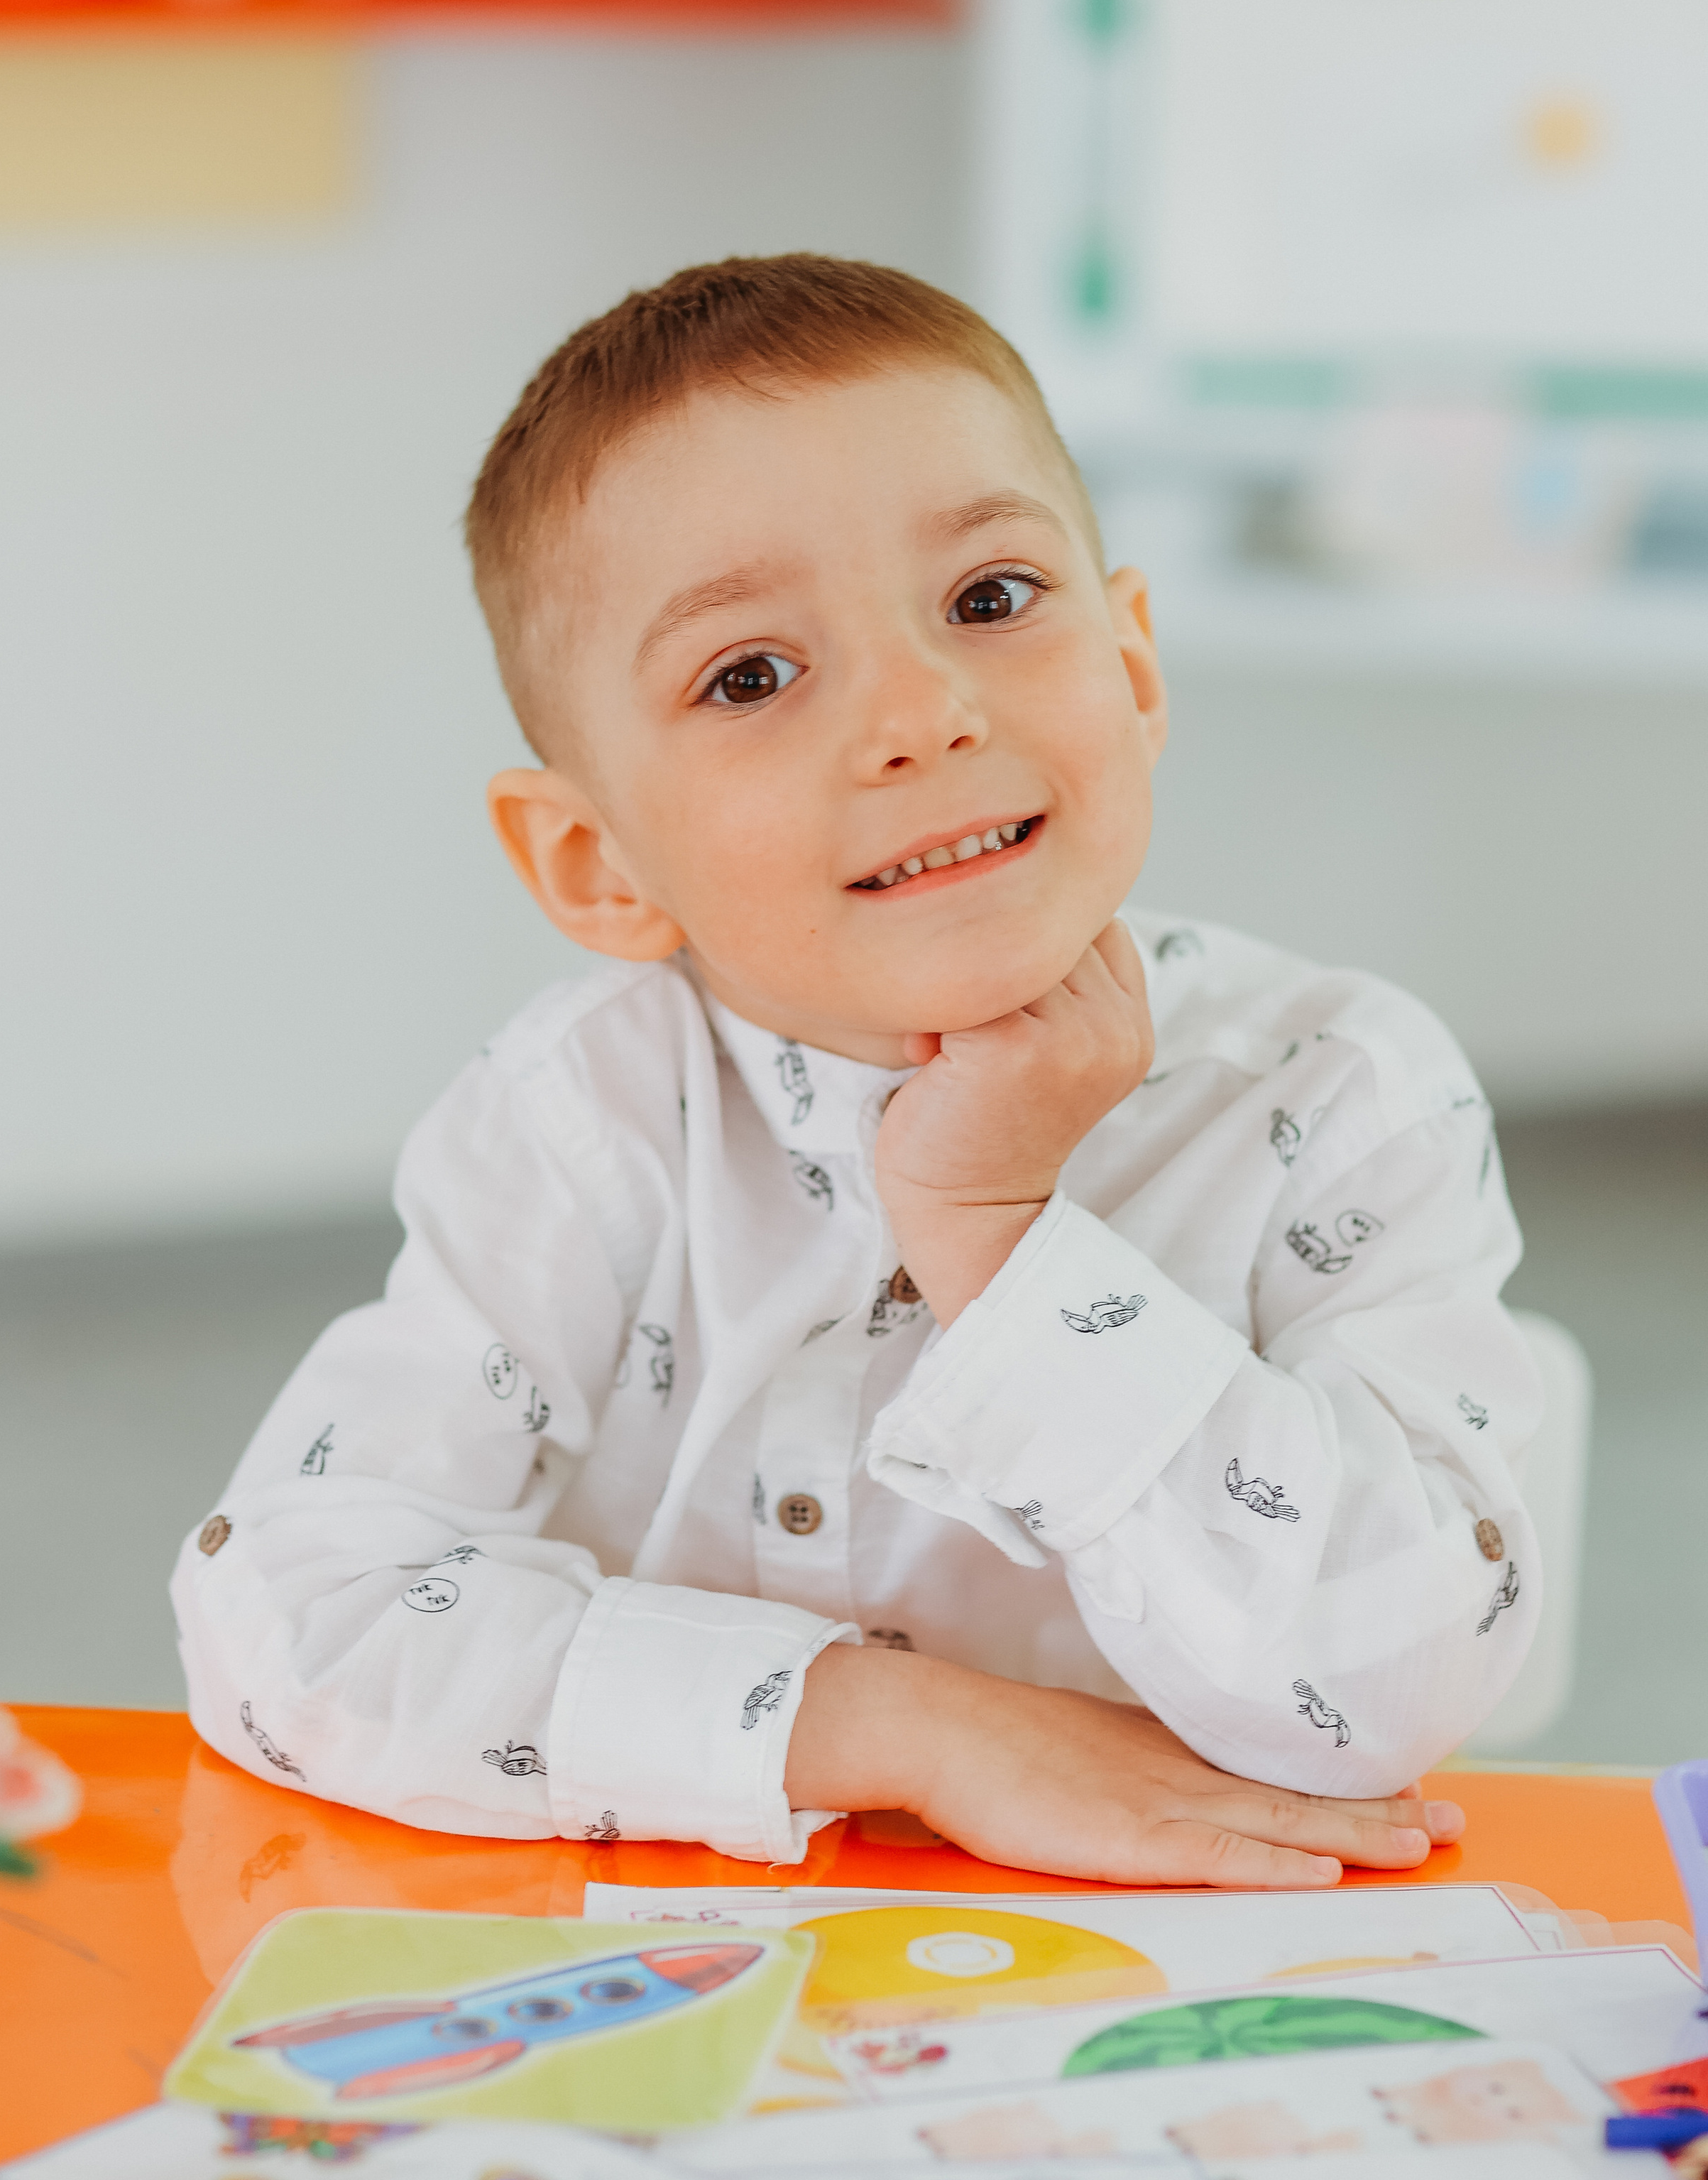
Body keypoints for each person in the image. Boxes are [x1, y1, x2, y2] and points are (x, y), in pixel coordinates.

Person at [172, 255, 1540, 1885]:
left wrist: (1002, 1239)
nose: (921, 711)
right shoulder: (576, 1123)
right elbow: (286, 1611)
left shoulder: (1339, 1091)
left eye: (988, 599)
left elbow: (1382, 1689)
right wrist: (909, 1731)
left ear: (1134, 666)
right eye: (749, 674)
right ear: (599, 863)